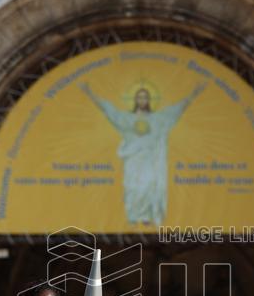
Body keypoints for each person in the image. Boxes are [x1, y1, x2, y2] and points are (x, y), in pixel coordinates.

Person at [80, 80, 206, 226]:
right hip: (133, 159)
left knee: (149, 185)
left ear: (149, 100)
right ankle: (133, 215)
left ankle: (146, 215)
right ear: (135, 100)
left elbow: (177, 110)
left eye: (144, 97)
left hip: (151, 160)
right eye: (139, 97)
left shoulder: (158, 119)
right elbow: (109, 110)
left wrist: (194, 94)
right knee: (132, 186)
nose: (142, 100)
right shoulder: (127, 118)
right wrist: (90, 94)